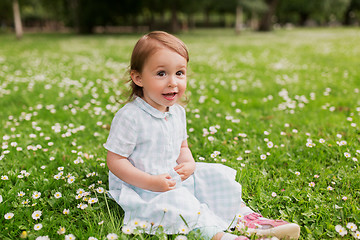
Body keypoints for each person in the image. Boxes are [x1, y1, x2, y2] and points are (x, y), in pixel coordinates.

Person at [104, 31, 300, 240]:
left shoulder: (177, 112)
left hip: (172, 175)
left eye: (179, 73)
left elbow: (182, 147)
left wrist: (189, 164)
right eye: (161, 74)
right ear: (138, 77)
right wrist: (150, 182)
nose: (173, 82)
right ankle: (221, 237)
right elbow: (115, 160)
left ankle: (248, 220)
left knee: (215, 178)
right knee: (181, 205)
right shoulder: (131, 117)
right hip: (142, 185)